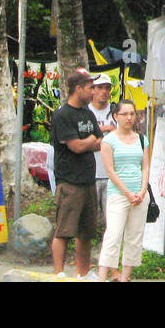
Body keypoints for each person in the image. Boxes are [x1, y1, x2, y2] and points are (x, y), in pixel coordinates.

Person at [49, 68, 103, 279]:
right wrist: (89, 142)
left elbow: (99, 142)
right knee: (64, 230)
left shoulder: (88, 114)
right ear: (78, 88)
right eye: (91, 88)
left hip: (89, 180)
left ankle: (82, 273)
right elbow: (77, 146)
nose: (93, 92)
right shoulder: (62, 115)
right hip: (69, 181)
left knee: (86, 233)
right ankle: (59, 273)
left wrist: (88, 142)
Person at [96, 99, 152, 282]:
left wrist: (143, 191)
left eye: (132, 113)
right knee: (113, 235)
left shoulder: (142, 139)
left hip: (139, 194)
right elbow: (110, 170)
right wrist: (127, 193)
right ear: (115, 116)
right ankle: (102, 277)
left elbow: (145, 167)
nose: (129, 118)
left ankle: (125, 277)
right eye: (124, 114)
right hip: (118, 194)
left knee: (135, 237)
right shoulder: (108, 141)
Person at [88, 73, 118, 217]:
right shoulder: (85, 112)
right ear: (92, 89)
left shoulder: (116, 112)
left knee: (112, 219)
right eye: (100, 87)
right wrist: (106, 129)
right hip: (90, 173)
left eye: (107, 88)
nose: (104, 91)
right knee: (89, 220)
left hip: (112, 174)